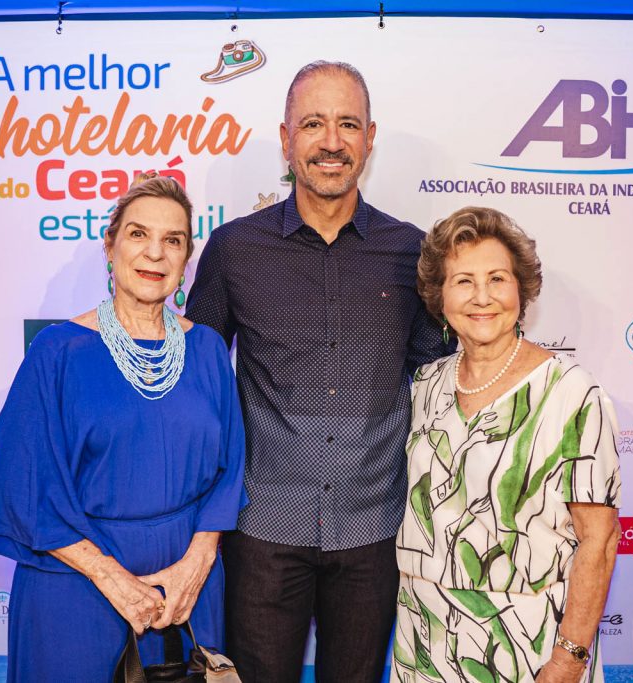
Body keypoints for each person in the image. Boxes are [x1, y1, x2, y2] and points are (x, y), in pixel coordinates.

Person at [185, 61, 455, 682]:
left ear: (369, 138)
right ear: (286, 139)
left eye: (348, 124)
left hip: (374, 530)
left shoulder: (412, 252)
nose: (331, 142)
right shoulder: (234, 249)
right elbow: (194, 382)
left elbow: (440, 382)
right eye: (313, 124)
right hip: (262, 529)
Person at [0, 175, 246, 682]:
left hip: (186, 589)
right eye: (138, 234)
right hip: (75, 586)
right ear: (110, 246)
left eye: (173, 240)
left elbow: (231, 472)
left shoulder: (208, 350)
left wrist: (197, 562)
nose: (155, 253)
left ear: (186, 259)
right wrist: (110, 576)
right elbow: (24, 485)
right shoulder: (57, 352)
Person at [393, 206, 621, 683]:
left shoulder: (571, 392)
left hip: (527, 644)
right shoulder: (427, 384)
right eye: (463, 281)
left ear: (521, 289)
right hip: (423, 640)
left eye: (497, 279)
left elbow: (598, 541)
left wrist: (568, 659)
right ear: (439, 296)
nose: (482, 297)